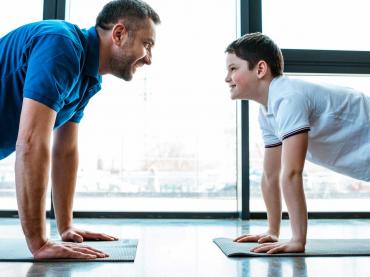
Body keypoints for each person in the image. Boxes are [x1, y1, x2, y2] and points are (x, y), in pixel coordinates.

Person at [0, 0, 160, 259]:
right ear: (119, 34)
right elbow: (30, 142)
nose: (149, 59)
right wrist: (39, 243)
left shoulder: (88, 79)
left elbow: (65, 151)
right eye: (147, 44)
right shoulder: (61, 45)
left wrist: (66, 227)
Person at [224, 32, 370, 254]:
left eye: (233, 69)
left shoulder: (288, 97)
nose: (227, 78)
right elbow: (270, 175)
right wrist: (273, 230)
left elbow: (292, 172)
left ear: (260, 69)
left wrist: (297, 240)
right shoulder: (267, 112)